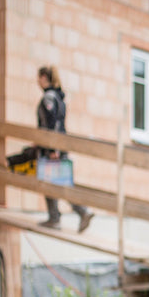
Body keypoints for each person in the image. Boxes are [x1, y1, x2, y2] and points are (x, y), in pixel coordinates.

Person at [36, 65, 94, 233]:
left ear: (44, 78)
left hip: (53, 148)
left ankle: (59, 217)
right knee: (59, 182)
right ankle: (80, 212)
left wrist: (52, 148)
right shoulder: (58, 97)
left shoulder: (48, 98)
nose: (37, 81)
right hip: (59, 146)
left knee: (50, 182)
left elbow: (51, 122)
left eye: (39, 77)